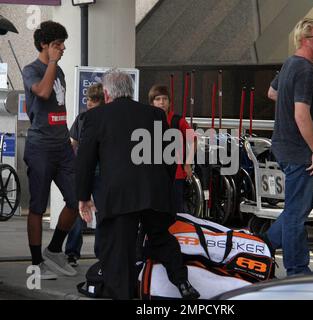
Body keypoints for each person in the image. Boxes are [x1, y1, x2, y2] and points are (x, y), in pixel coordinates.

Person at [76, 69, 200, 300]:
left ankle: (123, 293)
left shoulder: (95, 117)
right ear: (131, 91)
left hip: (120, 195)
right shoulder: (154, 114)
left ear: (106, 92)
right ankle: (182, 283)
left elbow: (85, 161)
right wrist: (163, 184)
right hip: (153, 191)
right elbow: (169, 156)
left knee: (119, 249)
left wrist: (83, 197)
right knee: (161, 237)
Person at [266, 18, 313, 276]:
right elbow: (301, 114)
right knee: (297, 213)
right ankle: (297, 271)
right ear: (306, 40)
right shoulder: (304, 69)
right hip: (298, 150)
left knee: (300, 205)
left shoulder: (290, 63)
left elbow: (272, 92)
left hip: (284, 147)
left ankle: (262, 244)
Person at [22, 21, 78, 279]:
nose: (63, 48)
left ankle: (54, 250)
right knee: (37, 206)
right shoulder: (31, 69)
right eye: (57, 44)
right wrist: (52, 63)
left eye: (63, 44)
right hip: (40, 147)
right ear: (44, 44)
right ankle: (37, 262)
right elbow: (43, 93)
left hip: (62, 146)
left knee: (76, 198)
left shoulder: (61, 71)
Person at [65, 83, 104, 266]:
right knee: (78, 212)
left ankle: (101, 254)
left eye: (94, 100)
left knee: (101, 215)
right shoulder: (81, 119)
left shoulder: (106, 120)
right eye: (88, 99)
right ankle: (72, 252)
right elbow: (72, 143)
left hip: (102, 174)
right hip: (83, 172)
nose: (89, 103)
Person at [148, 85, 195, 213]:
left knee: (176, 210)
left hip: (176, 175)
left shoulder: (178, 121)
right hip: (153, 174)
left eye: (165, 99)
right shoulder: (146, 120)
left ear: (169, 102)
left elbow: (194, 140)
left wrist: (188, 163)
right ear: (152, 102)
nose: (161, 102)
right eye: (158, 99)